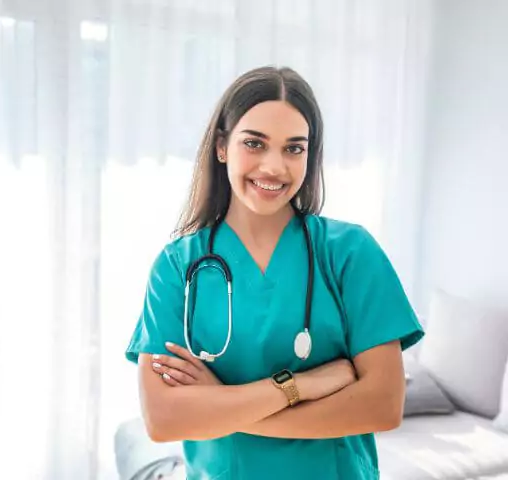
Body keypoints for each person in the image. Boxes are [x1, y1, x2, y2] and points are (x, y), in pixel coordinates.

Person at [124, 66, 424, 479]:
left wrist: (221, 406)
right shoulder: (178, 266)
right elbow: (163, 420)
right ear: (222, 147)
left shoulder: (350, 253)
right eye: (254, 143)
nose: (274, 167)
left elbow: (383, 406)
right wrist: (298, 387)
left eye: (293, 149)